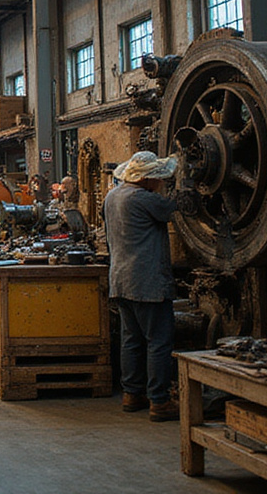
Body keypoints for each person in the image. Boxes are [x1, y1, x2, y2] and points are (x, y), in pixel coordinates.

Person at [104, 151, 180, 422]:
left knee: (132, 340)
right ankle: (159, 402)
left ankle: (132, 394)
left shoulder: (112, 196)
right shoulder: (145, 199)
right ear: (146, 178)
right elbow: (176, 208)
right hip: (147, 281)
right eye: (158, 178)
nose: (160, 182)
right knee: (158, 342)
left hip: (121, 280)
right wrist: (189, 186)